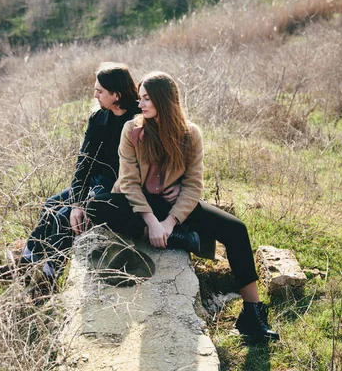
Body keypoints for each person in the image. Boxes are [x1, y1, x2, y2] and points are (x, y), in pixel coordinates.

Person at [87, 71, 280, 343]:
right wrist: (153, 223)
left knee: (236, 229)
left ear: (165, 100)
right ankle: (181, 240)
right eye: (140, 98)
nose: (140, 104)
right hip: (139, 205)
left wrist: (170, 221)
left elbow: (193, 185)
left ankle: (253, 315)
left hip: (174, 205)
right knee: (98, 205)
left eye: (146, 99)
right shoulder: (132, 130)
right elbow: (128, 183)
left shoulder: (190, 134)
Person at [0, 63, 172, 283]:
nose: (94, 95)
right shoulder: (99, 119)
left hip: (118, 189)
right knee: (51, 205)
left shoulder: (140, 118)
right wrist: (77, 203)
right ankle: (25, 265)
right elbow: (84, 163)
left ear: (116, 95)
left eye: (100, 91)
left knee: (62, 219)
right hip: (95, 183)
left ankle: (48, 277)